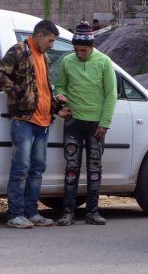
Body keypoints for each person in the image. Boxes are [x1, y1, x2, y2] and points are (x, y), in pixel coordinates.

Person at [0, 19, 66, 229]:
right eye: (50, 40)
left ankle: (31, 212)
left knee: (37, 169)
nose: (52, 44)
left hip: (43, 121)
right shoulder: (19, 51)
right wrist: (14, 89)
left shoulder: (45, 57)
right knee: (21, 168)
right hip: (24, 119)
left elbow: (44, 89)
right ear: (39, 36)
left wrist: (56, 108)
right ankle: (15, 214)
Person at [54, 21, 117, 226]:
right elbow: (60, 86)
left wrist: (105, 123)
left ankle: (93, 212)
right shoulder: (67, 61)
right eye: (76, 50)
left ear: (93, 47)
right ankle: (67, 212)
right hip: (73, 122)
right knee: (71, 167)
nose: (79, 53)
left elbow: (111, 95)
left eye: (83, 50)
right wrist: (60, 97)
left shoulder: (104, 62)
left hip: (96, 125)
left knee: (94, 168)